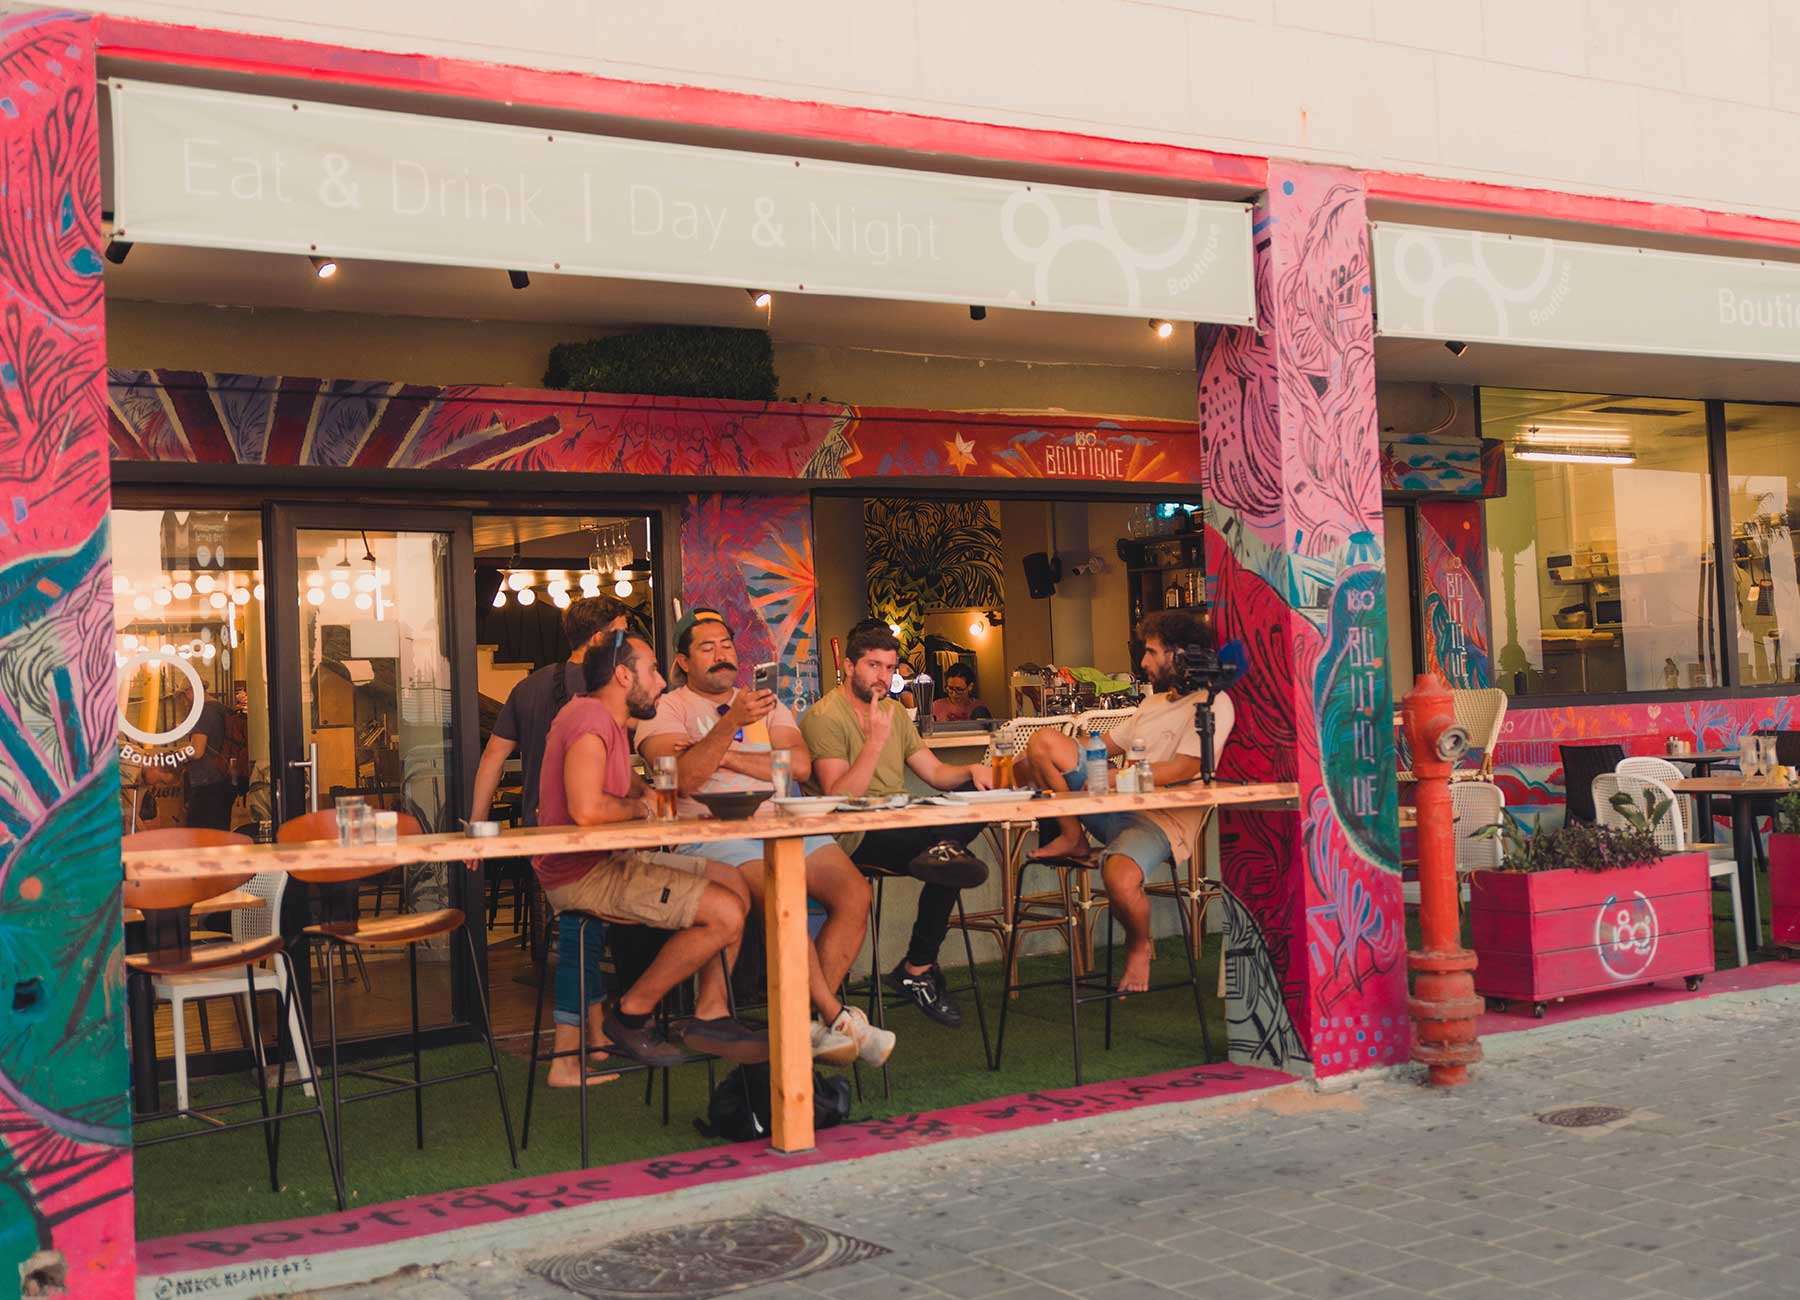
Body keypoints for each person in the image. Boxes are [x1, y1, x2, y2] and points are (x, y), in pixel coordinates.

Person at [636, 611, 892, 1067]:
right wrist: (731, 727)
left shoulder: (765, 703)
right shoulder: (667, 709)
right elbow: (684, 779)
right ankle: (833, 1017)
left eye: (726, 645)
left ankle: (803, 1023)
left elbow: (798, 766)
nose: (721, 654)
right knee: (782, 895)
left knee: (854, 893)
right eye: (707, 648)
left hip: (780, 821)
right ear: (683, 662)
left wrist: (724, 756)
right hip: (711, 832)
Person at [535, 631, 764, 1067]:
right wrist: (643, 808)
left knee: (732, 880)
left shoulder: (603, 720)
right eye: (654, 670)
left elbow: (624, 785)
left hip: (608, 862)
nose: (662, 681)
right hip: (582, 875)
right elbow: (587, 809)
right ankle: (631, 1014)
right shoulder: (590, 719)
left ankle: (711, 1014)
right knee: (726, 912)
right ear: (623, 676)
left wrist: (657, 800)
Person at [1016, 609, 1235, 994]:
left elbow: (1186, 766)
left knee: (1118, 877)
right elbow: (1099, 745)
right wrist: (1035, 757)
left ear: (1179, 654)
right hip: (1113, 808)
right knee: (1042, 742)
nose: (1143, 662)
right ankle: (1072, 836)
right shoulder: (1150, 705)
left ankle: (1138, 946)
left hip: (1162, 820)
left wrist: (1120, 777)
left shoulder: (1214, 703)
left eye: (1151, 652)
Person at [801, 620, 993, 1027]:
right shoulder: (824, 716)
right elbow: (840, 796)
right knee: (953, 858)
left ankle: (917, 965)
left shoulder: (893, 713)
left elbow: (935, 773)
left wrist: (972, 771)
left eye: (889, 668)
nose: (882, 677)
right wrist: (873, 742)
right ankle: (917, 968)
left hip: (903, 819)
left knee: (973, 806)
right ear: (849, 667)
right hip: (853, 834)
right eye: (873, 666)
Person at [470, 595, 628, 1086]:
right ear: (600, 638)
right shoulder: (611, 687)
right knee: (583, 932)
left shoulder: (529, 686)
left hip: (542, 828)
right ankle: (568, 1056)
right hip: (591, 824)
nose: (628, 644)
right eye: (622, 633)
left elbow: (493, 758)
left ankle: (596, 1038)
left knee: (584, 926)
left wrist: (477, 828)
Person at [181, 684, 234, 830]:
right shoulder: (221, 708)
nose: (184, 700)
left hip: (206, 784)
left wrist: (176, 756)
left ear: (191, 691)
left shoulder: (202, 712)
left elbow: (197, 751)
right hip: (224, 779)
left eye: (184, 695)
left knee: (200, 835)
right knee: (219, 833)